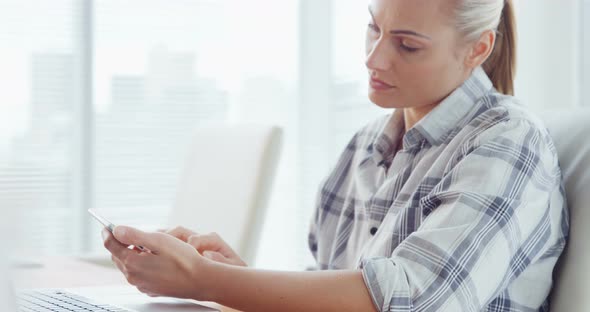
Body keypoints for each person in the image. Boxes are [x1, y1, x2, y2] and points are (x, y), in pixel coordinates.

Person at [102, 0, 569, 310]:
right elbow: (333, 291)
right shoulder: (364, 147)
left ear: (478, 49)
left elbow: (416, 299)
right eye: (373, 28)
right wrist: (233, 277)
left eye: (406, 45)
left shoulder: (509, 142)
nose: (374, 59)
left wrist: (205, 279)